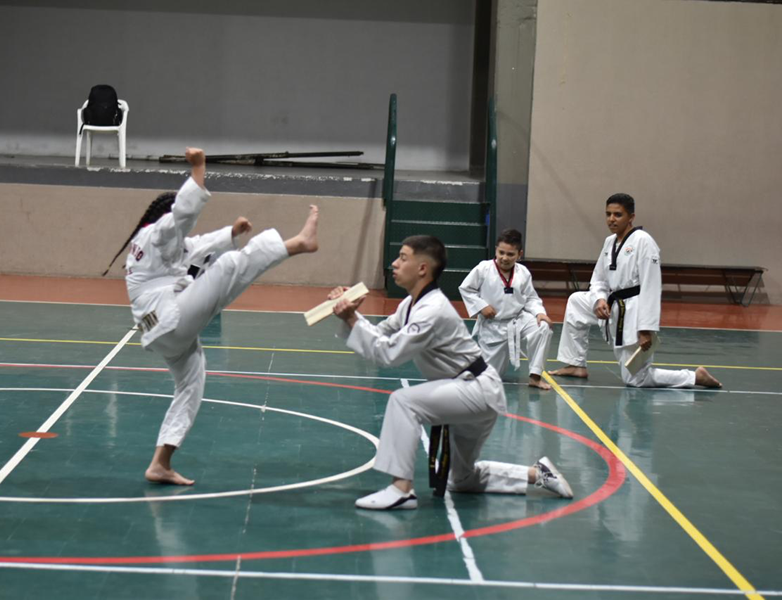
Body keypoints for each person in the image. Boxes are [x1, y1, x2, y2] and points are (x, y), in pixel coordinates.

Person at [104, 147, 320, 485]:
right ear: (163, 216)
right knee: (230, 266)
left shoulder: (150, 247)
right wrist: (199, 168)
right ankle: (297, 243)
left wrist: (230, 234)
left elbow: (196, 245)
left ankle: (160, 462)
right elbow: (182, 216)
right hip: (167, 316)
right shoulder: (157, 233)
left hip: (159, 331)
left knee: (191, 383)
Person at [329, 235, 573, 510]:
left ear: (422, 268)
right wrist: (351, 314)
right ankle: (537, 474)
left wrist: (350, 319)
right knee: (462, 479)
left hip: (475, 390)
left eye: (402, 258)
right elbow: (380, 335)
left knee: (403, 401)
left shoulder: (431, 310)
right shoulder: (411, 305)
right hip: (471, 391)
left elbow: (387, 354)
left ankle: (401, 489)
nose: (394, 264)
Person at [549, 193, 721, 389]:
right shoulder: (609, 242)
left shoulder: (644, 242)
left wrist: (646, 329)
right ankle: (575, 364)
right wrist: (599, 300)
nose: (611, 219)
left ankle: (693, 377)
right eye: (608, 214)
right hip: (611, 303)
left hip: (634, 311)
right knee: (577, 301)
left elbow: (652, 288)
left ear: (631, 217)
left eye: (618, 214)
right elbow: (598, 279)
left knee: (635, 379)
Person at [459, 229, 553, 390]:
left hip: (518, 320)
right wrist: (482, 306)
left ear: (519, 254)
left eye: (510, 254)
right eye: (501, 252)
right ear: (496, 250)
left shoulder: (523, 272)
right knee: (489, 378)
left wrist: (540, 313)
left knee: (543, 328)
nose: (504, 258)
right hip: (493, 326)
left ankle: (535, 377)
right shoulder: (483, 269)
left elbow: (530, 298)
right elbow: (466, 289)